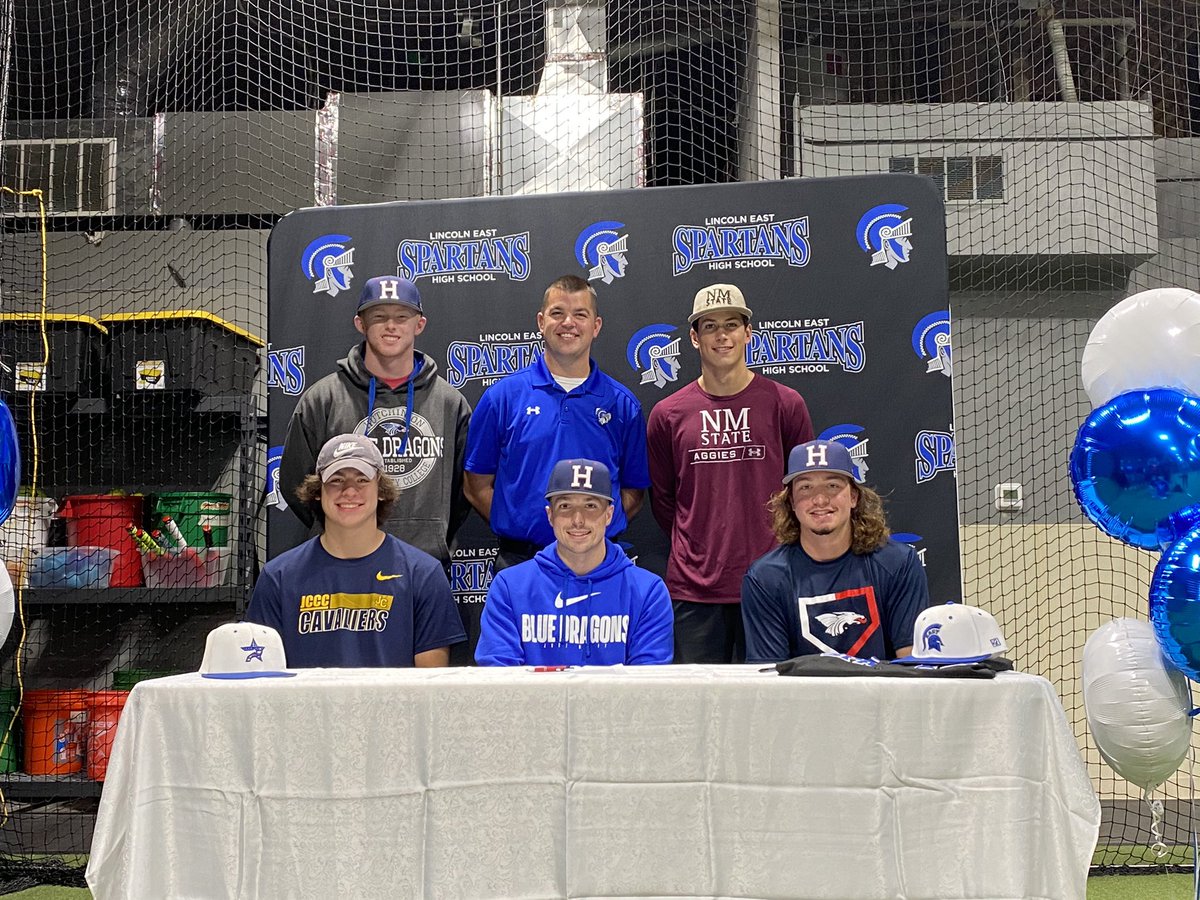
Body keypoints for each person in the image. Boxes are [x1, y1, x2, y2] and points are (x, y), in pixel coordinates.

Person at [647, 283, 813, 664]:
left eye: (731, 325)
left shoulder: (785, 404)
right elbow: (665, 500)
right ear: (694, 338)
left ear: (748, 332)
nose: (721, 335)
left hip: (772, 582)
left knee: (772, 696)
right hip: (694, 590)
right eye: (710, 326)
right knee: (699, 700)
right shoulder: (668, 414)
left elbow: (804, 488)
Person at [279, 275, 472, 570]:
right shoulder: (323, 398)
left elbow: (464, 491)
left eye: (402, 317)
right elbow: (298, 484)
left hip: (424, 564)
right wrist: (342, 528)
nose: (391, 326)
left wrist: (433, 536)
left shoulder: (450, 402)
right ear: (361, 324)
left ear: (419, 324)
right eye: (379, 317)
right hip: (340, 562)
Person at [464, 274, 650, 570]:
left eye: (580, 314)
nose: (568, 323)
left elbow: (633, 491)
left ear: (596, 326)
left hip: (600, 563)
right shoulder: (502, 398)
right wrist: (519, 523)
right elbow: (476, 485)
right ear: (541, 322)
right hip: (520, 562)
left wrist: (587, 535)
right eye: (557, 313)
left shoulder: (623, 405)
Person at [247, 433, 465, 667]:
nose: (349, 491)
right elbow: (261, 676)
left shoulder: (423, 574)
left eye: (362, 479)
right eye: (336, 480)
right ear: (318, 491)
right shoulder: (278, 577)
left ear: (380, 489)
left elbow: (430, 682)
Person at [741, 439, 930, 663]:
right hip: (802, 688)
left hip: (881, 687)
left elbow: (912, 664)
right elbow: (769, 673)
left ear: (854, 497)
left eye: (832, 486)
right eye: (805, 488)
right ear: (791, 501)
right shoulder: (765, 578)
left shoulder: (898, 564)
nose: (820, 500)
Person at [475, 458, 673, 666]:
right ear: (550, 515)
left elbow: (648, 679)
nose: (578, 520)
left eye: (590, 505)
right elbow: (499, 675)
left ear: (609, 515)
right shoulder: (510, 587)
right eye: (565, 506)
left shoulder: (647, 591)